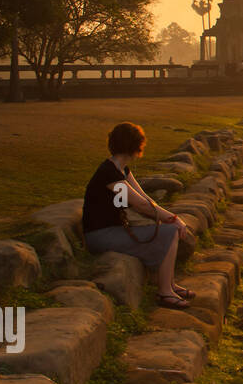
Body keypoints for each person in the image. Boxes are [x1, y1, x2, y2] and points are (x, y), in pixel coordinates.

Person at [82, 121, 196, 309]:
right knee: (169, 232)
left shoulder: (122, 169)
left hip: (112, 230)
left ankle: (169, 285)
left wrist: (171, 218)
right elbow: (141, 206)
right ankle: (165, 292)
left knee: (169, 230)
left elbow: (146, 199)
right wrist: (175, 220)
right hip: (101, 236)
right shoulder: (109, 173)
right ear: (135, 145)